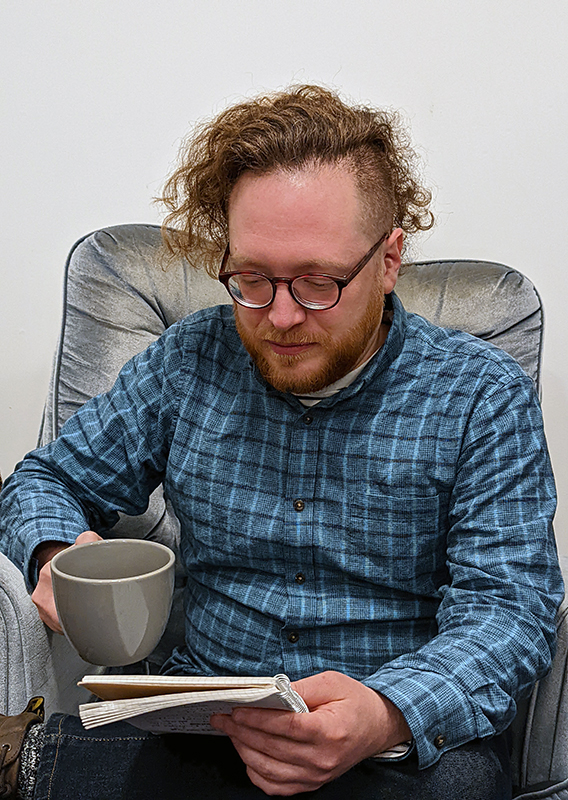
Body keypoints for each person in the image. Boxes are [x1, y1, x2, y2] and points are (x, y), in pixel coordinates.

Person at [0, 85, 563, 800]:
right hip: (206, 723)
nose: (282, 316)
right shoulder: (190, 359)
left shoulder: (480, 394)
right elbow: (44, 480)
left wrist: (384, 713)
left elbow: (508, 609)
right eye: (252, 279)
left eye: (318, 282)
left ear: (389, 260)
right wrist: (55, 553)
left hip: (396, 746)